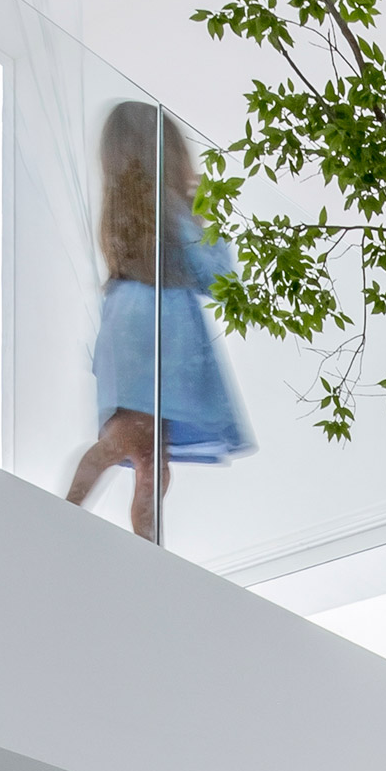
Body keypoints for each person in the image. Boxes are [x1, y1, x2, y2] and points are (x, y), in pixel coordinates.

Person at [67, 102, 253, 538]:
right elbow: (219, 276)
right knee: (143, 452)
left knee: (136, 446)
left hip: (125, 328)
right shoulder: (170, 210)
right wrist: (204, 208)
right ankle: (135, 541)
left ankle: (99, 524)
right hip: (161, 336)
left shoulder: (125, 216)